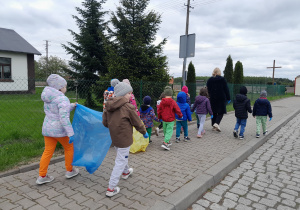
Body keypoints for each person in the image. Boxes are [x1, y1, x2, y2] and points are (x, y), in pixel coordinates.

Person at [102, 82, 148, 197]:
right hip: (124, 138)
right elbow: (137, 122)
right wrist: (144, 132)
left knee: (122, 155)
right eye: (129, 93)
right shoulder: (128, 107)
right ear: (123, 94)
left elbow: (105, 122)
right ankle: (111, 188)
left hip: (115, 137)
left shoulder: (108, 105)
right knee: (120, 161)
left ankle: (126, 171)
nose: (130, 95)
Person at [36, 74, 79, 185]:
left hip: (47, 129)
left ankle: (42, 176)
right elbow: (63, 117)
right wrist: (70, 133)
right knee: (69, 148)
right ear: (60, 88)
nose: (66, 88)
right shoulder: (62, 98)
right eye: (65, 86)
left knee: (47, 151)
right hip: (60, 131)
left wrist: (72, 105)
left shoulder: (48, 97)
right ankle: (70, 171)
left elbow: (57, 109)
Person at [157, 86, 183, 150]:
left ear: (165, 94)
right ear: (171, 94)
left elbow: (159, 110)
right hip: (170, 119)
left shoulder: (162, 102)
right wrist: (180, 115)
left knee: (165, 131)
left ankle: (167, 141)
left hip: (164, 119)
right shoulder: (173, 102)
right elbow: (177, 109)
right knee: (169, 131)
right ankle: (165, 143)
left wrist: (159, 116)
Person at [206, 67, 230, 132]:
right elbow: (226, 89)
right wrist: (228, 98)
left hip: (212, 98)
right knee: (221, 112)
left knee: (213, 112)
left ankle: (213, 125)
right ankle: (216, 123)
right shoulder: (222, 80)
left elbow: (207, 89)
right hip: (221, 98)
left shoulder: (210, 80)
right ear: (219, 72)